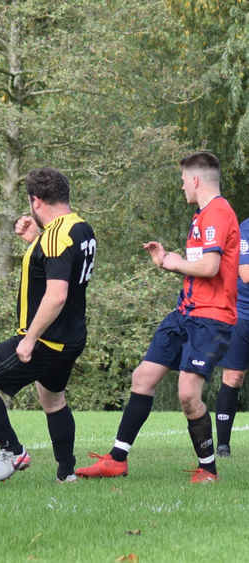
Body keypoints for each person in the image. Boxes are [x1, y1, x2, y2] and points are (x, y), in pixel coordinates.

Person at [76, 151, 239, 483]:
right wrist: (166, 260)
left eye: (182, 181)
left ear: (195, 179)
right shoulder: (201, 215)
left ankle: (208, 469)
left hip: (211, 320)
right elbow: (199, 268)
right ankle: (117, 460)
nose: (182, 187)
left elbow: (209, 268)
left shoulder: (218, 213)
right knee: (143, 377)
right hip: (185, 314)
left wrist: (176, 262)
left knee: (187, 395)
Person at [0, 167, 97, 484]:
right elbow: (58, 264)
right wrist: (35, 239)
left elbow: (57, 295)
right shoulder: (81, 228)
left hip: (46, 340)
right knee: (53, 400)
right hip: (71, 337)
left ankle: (12, 451)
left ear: (35, 200)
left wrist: (30, 338)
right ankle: (66, 473)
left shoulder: (58, 235)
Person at [214, 216, 249, 457]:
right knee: (233, 376)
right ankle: (223, 444)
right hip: (243, 315)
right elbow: (246, 273)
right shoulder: (245, 229)